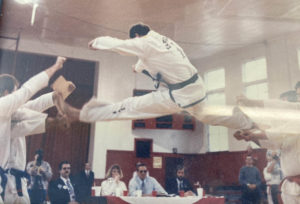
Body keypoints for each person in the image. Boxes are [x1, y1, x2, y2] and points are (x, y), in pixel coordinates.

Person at [54, 23, 254, 132]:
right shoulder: (163, 41)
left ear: (137, 37)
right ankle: (245, 122)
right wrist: (138, 67)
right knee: (207, 116)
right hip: (196, 90)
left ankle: (79, 114)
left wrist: (98, 42)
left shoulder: (145, 43)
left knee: (130, 106)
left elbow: (120, 45)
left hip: (180, 95)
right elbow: (152, 58)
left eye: (135, 41)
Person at [0, 56, 66, 202]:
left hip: (17, 181)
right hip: (5, 178)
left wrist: (54, 96)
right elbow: (28, 90)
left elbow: (29, 107)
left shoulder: (8, 116)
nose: (19, 99)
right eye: (14, 93)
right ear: (6, 93)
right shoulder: (2, 106)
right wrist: (55, 67)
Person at [233, 94, 300, 204]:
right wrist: (251, 137)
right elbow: (272, 143)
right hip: (291, 187)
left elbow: (278, 132)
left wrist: (251, 102)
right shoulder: (287, 132)